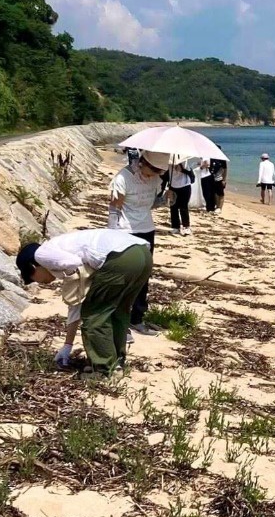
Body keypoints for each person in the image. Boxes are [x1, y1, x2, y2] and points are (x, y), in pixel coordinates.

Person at [16, 229, 153, 375]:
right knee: (117, 310)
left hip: (120, 258)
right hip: (141, 254)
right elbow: (76, 305)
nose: (38, 282)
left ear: (33, 267)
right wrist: (68, 345)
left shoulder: (41, 254)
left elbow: (74, 263)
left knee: (95, 314)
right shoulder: (60, 247)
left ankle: (103, 369)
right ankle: (116, 363)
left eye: (32, 278)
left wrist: (71, 281)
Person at [108, 150, 169, 335]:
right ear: (143, 162)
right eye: (154, 170)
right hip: (126, 231)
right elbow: (114, 208)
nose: (155, 175)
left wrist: (165, 199)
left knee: (143, 275)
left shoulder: (155, 179)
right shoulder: (123, 178)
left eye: (159, 172)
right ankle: (119, 321)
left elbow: (150, 204)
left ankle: (137, 318)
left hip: (147, 229)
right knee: (125, 276)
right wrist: (111, 234)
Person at [168, 160, 194, 235]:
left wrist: (182, 169)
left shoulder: (184, 160)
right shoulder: (169, 159)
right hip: (173, 185)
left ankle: (186, 226)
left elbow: (190, 172)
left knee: (183, 206)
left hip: (184, 185)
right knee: (173, 207)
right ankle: (175, 227)